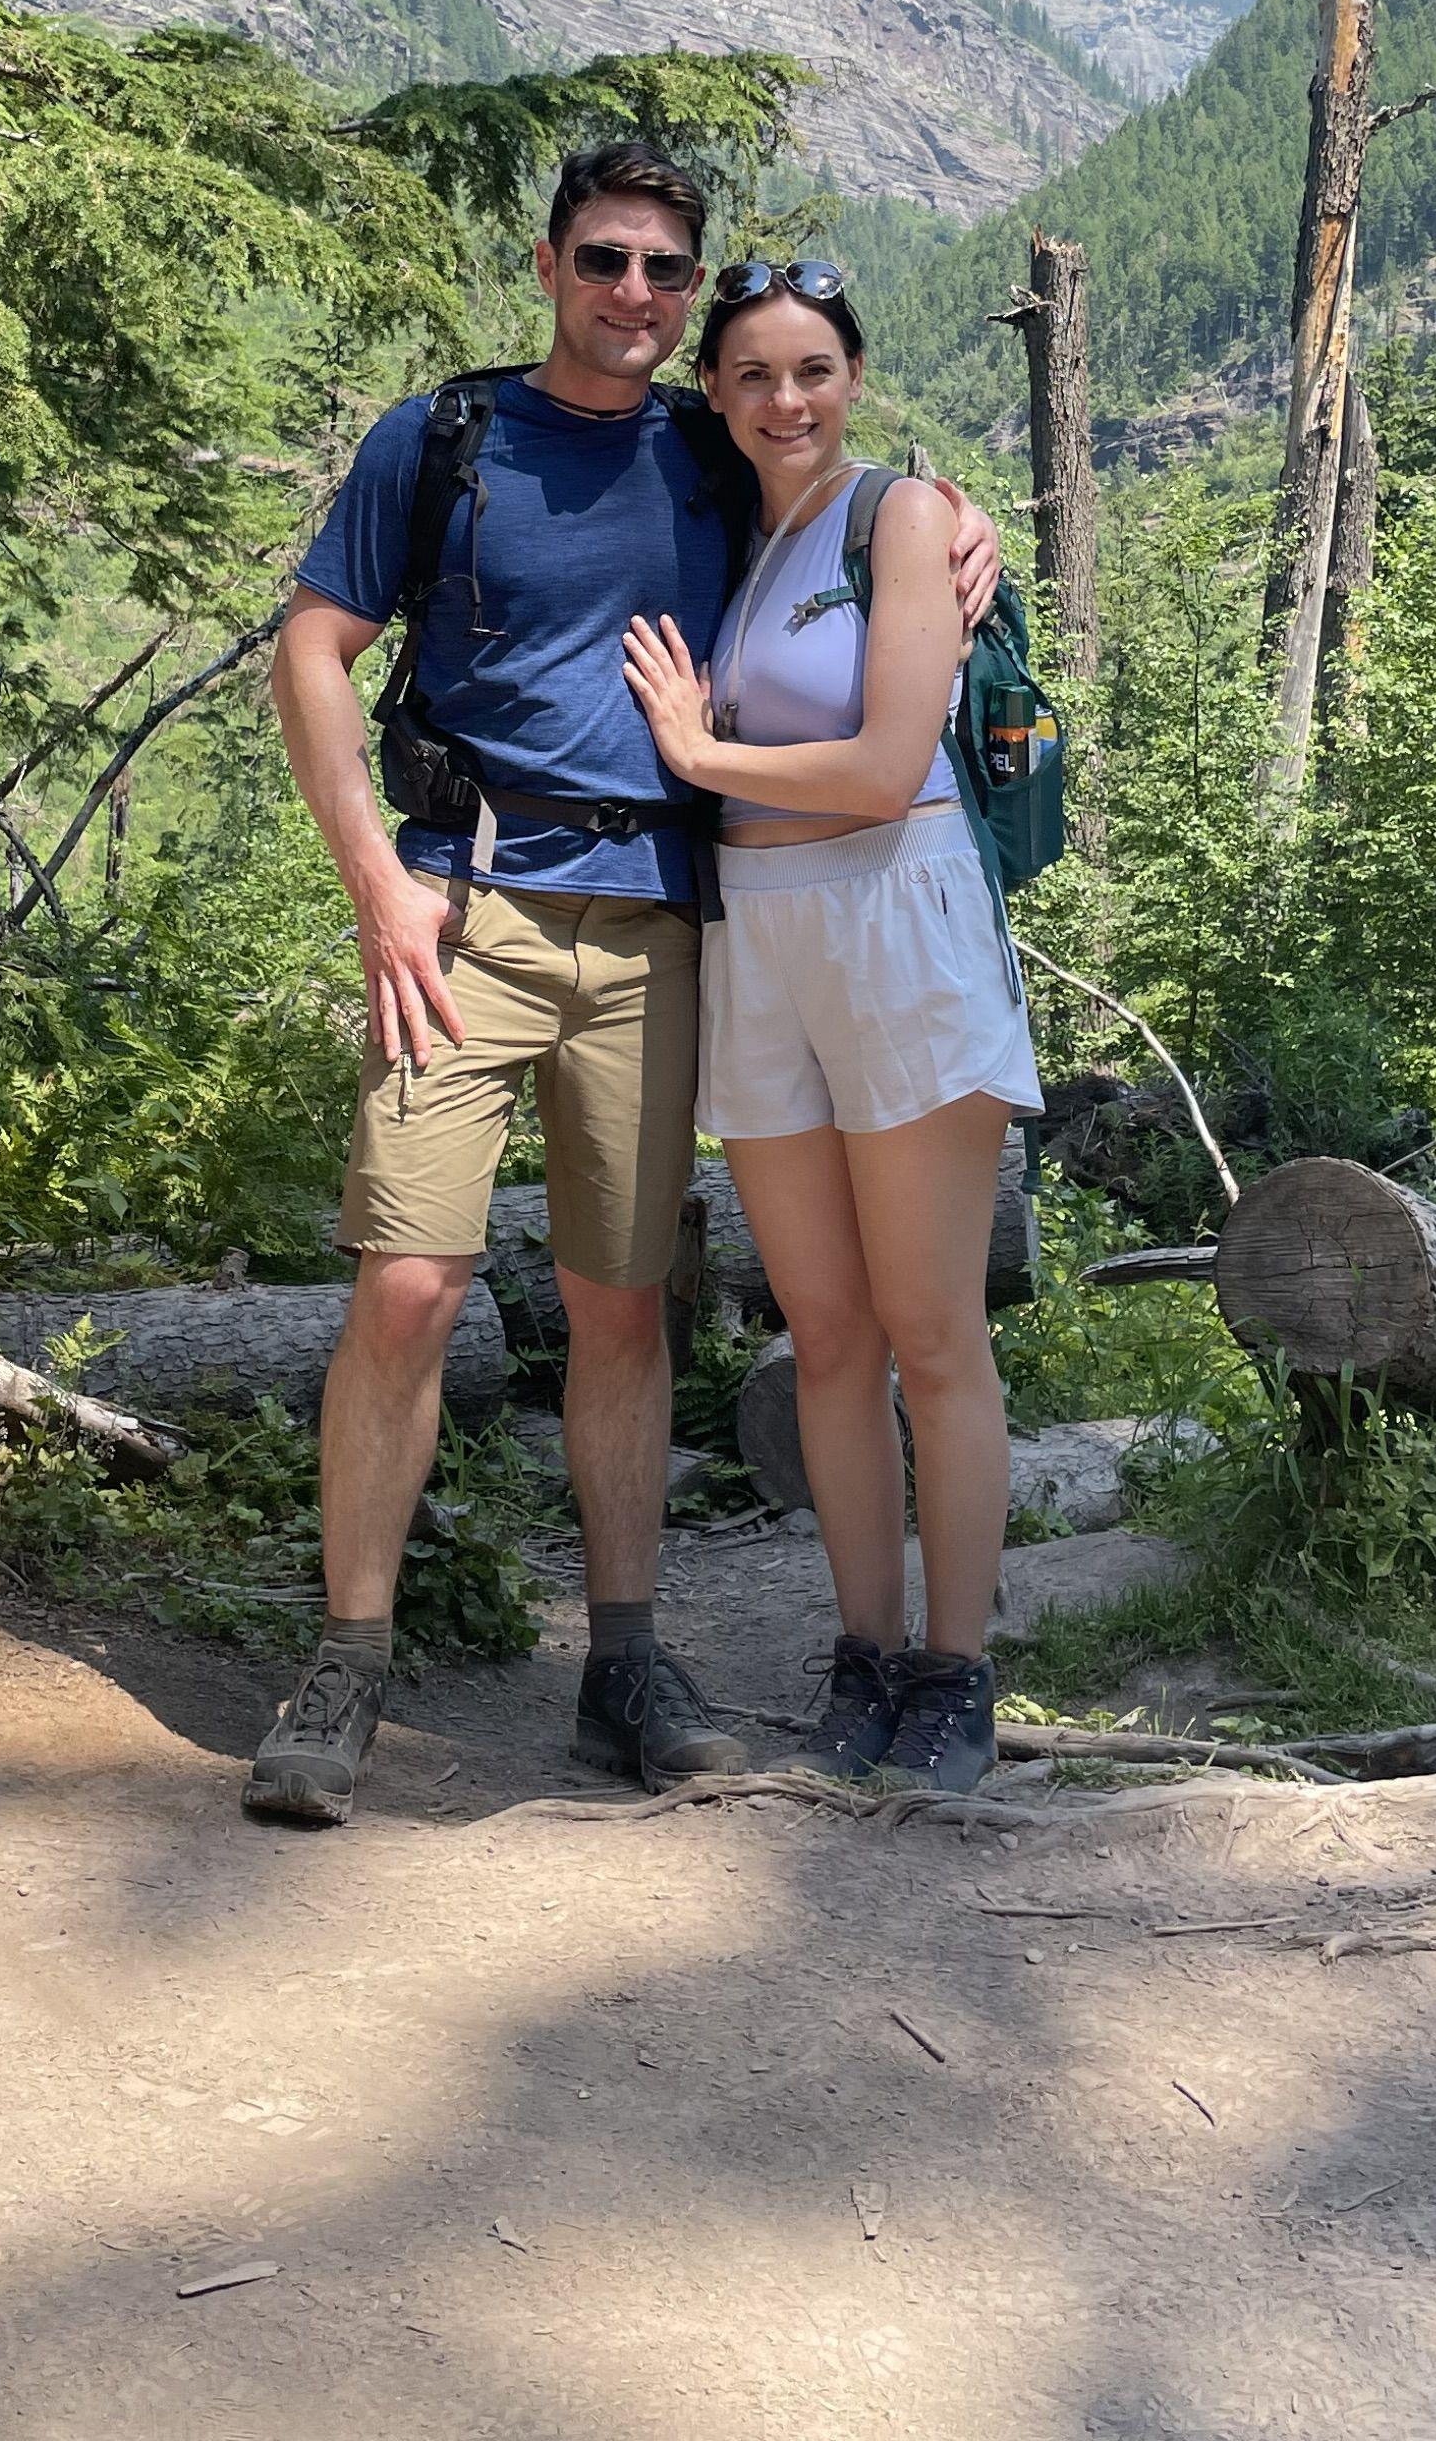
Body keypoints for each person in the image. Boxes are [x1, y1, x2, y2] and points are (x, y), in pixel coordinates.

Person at [248, 145, 1000, 1826]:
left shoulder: (711, 444)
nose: (638, 297)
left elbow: (845, 500)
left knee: (623, 1304)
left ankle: (625, 1665)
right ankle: (348, 1662)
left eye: (668, 270)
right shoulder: (442, 439)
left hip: (666, 921)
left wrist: (967, 530)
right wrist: (375, 880)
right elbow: (311, 645)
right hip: (463, 909)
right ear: (548, 265)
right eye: (606, 261)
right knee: (410, 1287)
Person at [616, 258, 1042, 1799]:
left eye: (810, 368)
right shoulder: (747, 531)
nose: (782, 398)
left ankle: (957, 1673)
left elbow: (880, 766)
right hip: (764, 941)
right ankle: (864, 1654)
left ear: (852, 377)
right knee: (829, 1340)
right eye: (750, 374)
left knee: (934, 1334)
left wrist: (697, 751)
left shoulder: (903, 519)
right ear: (715, 396)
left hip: (897, 917)